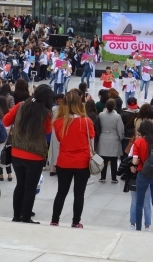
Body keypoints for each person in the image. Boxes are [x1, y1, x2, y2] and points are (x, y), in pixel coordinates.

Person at [3, 84, 54, 224]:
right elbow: (48, 131)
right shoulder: (46, 113)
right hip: (35, 155)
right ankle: (26, 218)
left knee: (20, 185)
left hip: (16, 152)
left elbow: (6, 121)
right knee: (30, 188)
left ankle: (16, 216)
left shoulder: (20, 105)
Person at [51, 91, 95, 228]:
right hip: (82, 162)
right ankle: (76, 222)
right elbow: (92, 137)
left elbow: (59, 140)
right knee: (79, 194)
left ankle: (55, 220)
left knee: (61, 192)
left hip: (64, 161)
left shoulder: (58, 122)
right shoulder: (86, 121)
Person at [97, 99, 124, 184]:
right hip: (114, 138)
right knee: (114, 159)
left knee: (103, 159)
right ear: (114, 106)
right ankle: (113, 178)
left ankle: (103, 177)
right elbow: (120, 129)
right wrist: (121, 137)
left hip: (103, 137)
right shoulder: (117, 116)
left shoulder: (101, 115)